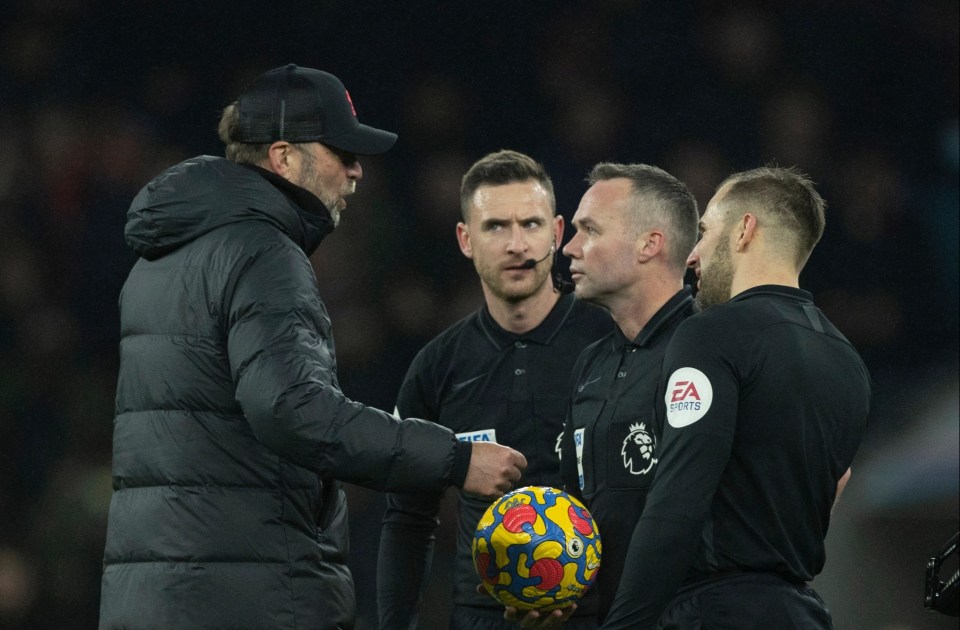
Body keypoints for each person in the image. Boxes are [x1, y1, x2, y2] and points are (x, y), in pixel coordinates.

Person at [99, 64, 526, 630]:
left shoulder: (162, 257)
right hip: (247, 596)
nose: (356, 171)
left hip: (156, 593)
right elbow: (291, 408)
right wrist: (454, 458)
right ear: (283, 157)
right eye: (340, 151)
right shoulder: (262, 250)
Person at [599, 166, 871, 629]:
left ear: (745, 230)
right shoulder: (849, 361)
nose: (693, 255)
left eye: (704, 231)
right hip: (802, 613)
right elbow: (832, 492)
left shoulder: (710, 335)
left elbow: (677, 500)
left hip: (715, 612)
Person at [377, 150, 611, 630]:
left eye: (531, 223)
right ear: (465, 239)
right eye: (496, 227)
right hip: (483, 618)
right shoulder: (437, 367)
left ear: (558, 233)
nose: (516, 244)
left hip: (604, 616)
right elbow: (407, 519)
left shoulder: (613, 341)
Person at [548, 163, 699, 625]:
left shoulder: (712, 350)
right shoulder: (590, 364)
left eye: (588, 229)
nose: (569, 248)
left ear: (649, 244)